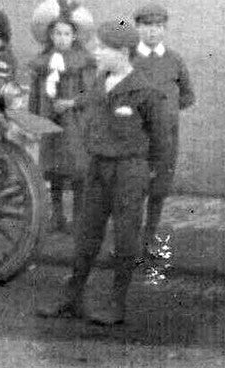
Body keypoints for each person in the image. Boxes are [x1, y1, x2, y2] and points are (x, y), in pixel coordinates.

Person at [37, 20, 170, 326]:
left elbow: (161, 143)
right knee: (86, 235)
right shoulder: (100, 83)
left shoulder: (145, 91)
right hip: (97, 169)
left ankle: (117, 304)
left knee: (125, 239)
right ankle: (72, 298)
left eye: (103, 48)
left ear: (122, 52)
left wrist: (148, 180)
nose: (96, 52)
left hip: (129, 171)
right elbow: (87, 104)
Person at [131, 3, 195, 257]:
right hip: (136, 136)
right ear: (137, 27)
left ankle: (148, 241)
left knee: (159, 189)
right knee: (134, 189)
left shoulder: (174, 59)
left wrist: (165, 114)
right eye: (147, 26)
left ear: (165, 29)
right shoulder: (130, 59)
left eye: (158, 27)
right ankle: (129, 243)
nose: (153, 32)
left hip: (166, 136)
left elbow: (187, 96)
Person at [28, 0, 95, 234]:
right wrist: (34, 120)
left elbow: (91, 93)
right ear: (50, 35)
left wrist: (71, 102)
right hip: (49, 120)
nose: (62, 38)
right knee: (53, 170)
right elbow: (36, 94)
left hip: (75, 122)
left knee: (77, 170)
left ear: (74, 36)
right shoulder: (43, 62)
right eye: (57, 33)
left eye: (67, 34)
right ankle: (57, 216)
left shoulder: (83, 62)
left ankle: (79, 218)